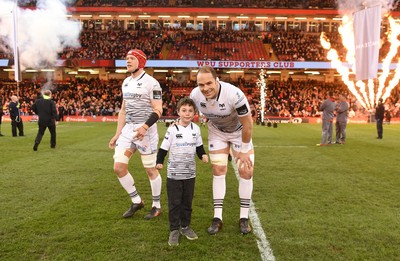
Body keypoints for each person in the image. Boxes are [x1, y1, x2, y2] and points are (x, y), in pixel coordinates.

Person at [189, 65, 254, 235]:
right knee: (218, 170)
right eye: (201, 85)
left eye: (209, 83)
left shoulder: (234, 94)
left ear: (217, 80)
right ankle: (217, 218)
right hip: (217, 132)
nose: (205, 88)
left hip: (239, 132)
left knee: (246, 171)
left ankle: (244, 217)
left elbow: (247, 124)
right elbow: (188, 114)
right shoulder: (195, 95)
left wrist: (245, 149)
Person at [108, 49, 163, 220]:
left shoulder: (152, 83)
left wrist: (145, 127)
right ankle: (137, 201)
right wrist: (117, 134)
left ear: (141, 61)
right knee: (118, 167)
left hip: (146, 132)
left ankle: (156, 206)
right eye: (126, 59)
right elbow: (123, 111)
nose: (128, 61)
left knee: (150, 170)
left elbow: (158, 110)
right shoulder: (125, 82)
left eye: (132, 58)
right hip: (128, 131)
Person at [156, 97, 208, 246]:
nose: (187, 113)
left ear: (194, 113)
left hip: (190, 174)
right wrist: (159, 162)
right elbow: (163, 148)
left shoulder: (196, 129)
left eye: (190, 111)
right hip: (174, 174)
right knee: (174, 203)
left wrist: (202, 155)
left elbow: (199, 147)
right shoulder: (172, 129)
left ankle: (185, 227)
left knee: (187, 202)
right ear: (178, 112)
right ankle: (174, 230)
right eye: (184, 110)